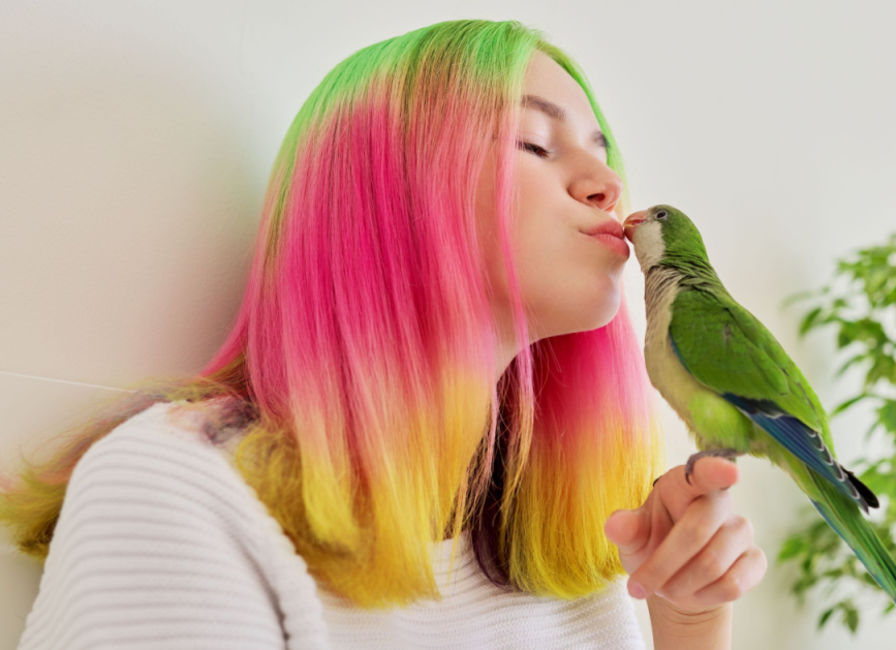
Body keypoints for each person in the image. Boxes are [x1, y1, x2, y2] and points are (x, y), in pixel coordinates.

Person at [0, 18, 765, 650]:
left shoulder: (560, 536)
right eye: (535, 143)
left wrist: (690, 624)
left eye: (603, 152)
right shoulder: (177, 492)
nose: (607, 185)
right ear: (394, 196)